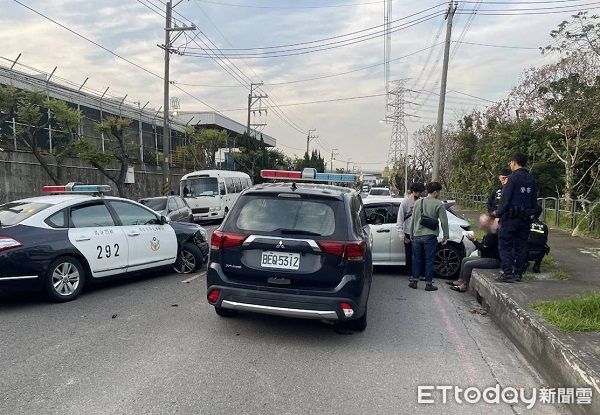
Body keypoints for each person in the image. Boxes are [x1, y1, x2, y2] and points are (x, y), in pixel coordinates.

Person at [492, 152, 538, 282]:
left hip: (510, 219)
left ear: (514, 162)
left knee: (505, 245)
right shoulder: (532, 179)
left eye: (511, 162)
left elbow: (505, 200)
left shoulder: (511, 179)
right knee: (521, 246)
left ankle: (507, 274)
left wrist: (496, 213)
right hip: (525, 219)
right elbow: (535, 202)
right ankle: (518, 274)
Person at [409, 182, 449, 291]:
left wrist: (412, 233)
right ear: (435, 192)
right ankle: (428, 284)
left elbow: (413, 219)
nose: (439, 194)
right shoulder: (438, 204)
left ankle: (414, 281)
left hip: (417, 235)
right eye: (439, 192)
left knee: (416, 259)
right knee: (429, 260)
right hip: (430, 236)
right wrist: (446, 236)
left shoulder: (418, 202)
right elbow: (444, 222)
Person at [448, 214, 500, 293]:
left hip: (492, 259)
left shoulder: (493, 234)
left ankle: (464, 285)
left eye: (482, 223)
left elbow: (484, 249)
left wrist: (474, 240)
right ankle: (460, 280)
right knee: (465, 259)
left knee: (468, 264)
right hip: (485, 256)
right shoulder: (488, 233)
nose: (480, 225)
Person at [397, 182, 425, 276]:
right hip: (408, 232)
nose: (419, 194)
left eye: (420, 192)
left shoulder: (421, 201)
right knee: (409, 255)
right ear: (413, 191)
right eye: (418, 192)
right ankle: (410, 273)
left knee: (419, 254)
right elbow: (400, 218)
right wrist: (401, 233)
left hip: (419, 232)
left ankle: (419, 273)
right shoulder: (405, 202)